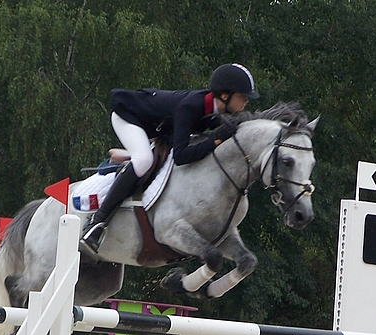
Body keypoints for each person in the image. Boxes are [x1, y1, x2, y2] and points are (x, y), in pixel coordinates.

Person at [80, 63, 260, 257]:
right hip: (129, 117)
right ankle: (96, 225)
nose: (245, 102)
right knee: (143, 161)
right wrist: (215, 140)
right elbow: (181, 156)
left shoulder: (217, 110)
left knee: (147, 158)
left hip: (156, 129)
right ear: (225, 95)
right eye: (242, 97)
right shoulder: (191, 106)